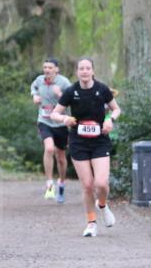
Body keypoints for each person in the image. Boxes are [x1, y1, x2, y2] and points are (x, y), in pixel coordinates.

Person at [50, 58, 121, 237]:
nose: (84, 71)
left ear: (93, 71)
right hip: (78, 142)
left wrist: (109, 120)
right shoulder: (71, 91)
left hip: (99, 141)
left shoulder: (102, 89)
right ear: (77, 72)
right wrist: (64, 119)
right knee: (88, 186)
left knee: (101, 183)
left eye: (87, 68)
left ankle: (102, 205)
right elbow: (54, 114)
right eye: (81, 68)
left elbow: (116, 109)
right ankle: (91, 223)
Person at [30, 59, 71, 203]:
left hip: (60, 123)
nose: (46, 70)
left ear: (56, 70)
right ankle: (49, 183)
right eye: (45, 67)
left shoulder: (64, 83)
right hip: (44, 121)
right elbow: (33, 87)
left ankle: (61, 184)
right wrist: (35, 95)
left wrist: (61, 95)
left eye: (50, 67)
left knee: (61, 157)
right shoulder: (39, 80)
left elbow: (73, 99)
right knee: (48, 149)